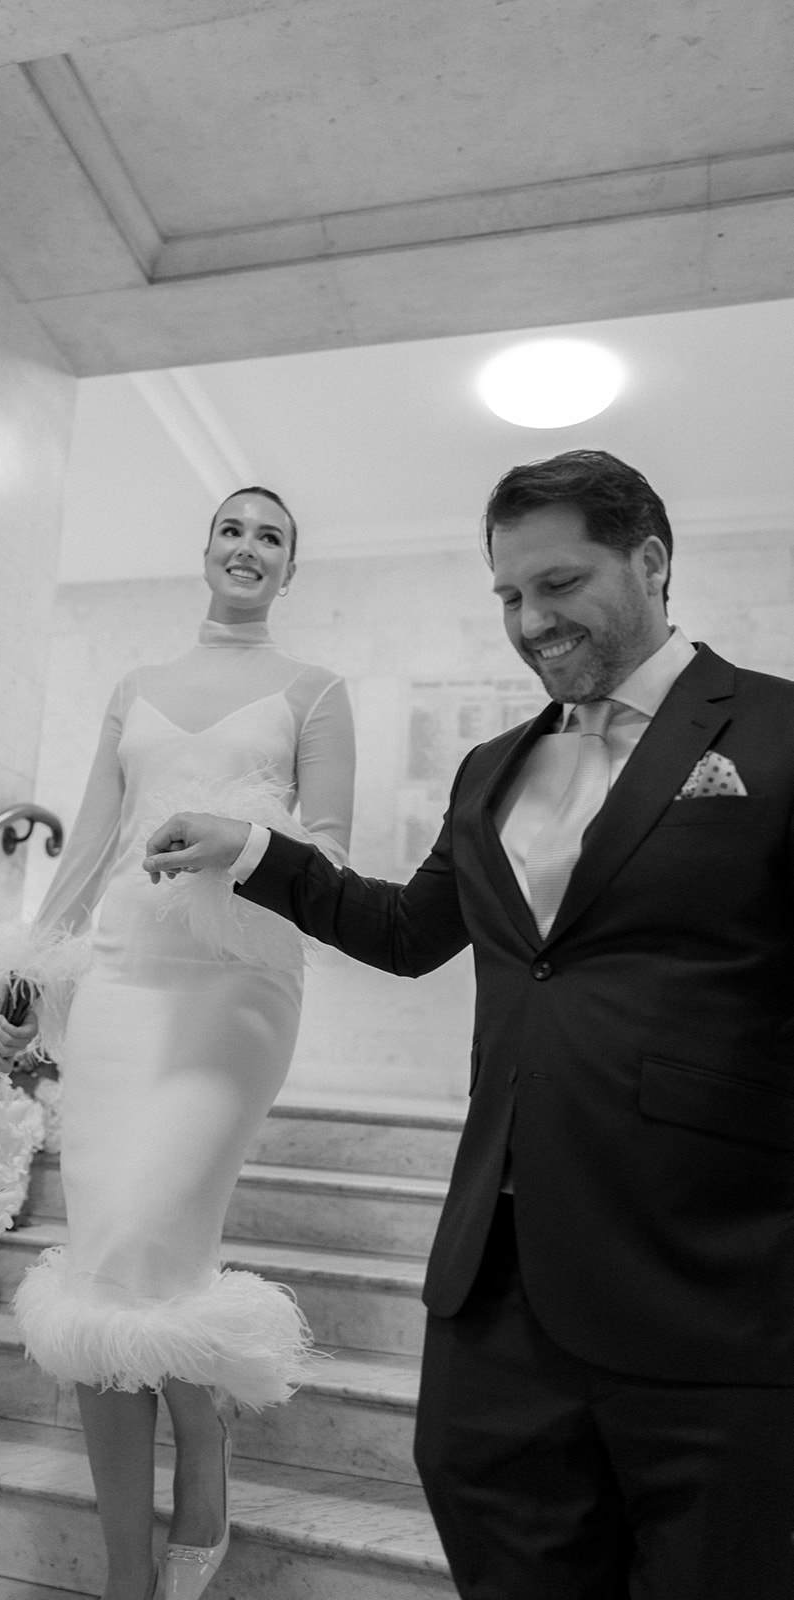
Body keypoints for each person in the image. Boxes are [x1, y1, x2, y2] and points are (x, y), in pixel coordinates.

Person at [142, 450, 794, 1600]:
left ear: (649, 561)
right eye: (506, 596)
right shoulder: (494, 767)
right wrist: (253, 851)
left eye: (558, 583)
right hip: (497, 1294)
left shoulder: (779, 733)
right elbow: (406, 930)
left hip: (715, 1290)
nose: (530, 621)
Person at [0, 487, 355, 1600]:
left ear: (292, 570)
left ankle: (206, 1443)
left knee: (141, 1241)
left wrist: (241, 842)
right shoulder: (133, 689)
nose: (248, 547)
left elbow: (325, 858)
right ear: (204, 552)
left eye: (272, 536)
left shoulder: (316, 690)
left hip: (235, 994)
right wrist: (26, 967)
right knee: (110, 1269)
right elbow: (90, 845)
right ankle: (128, 1573)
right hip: (123, 991)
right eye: (232, 528)